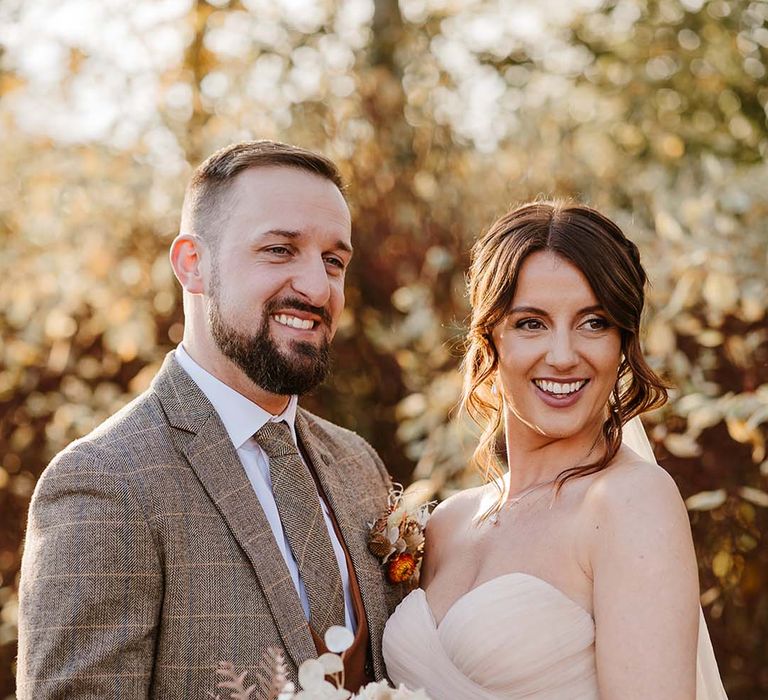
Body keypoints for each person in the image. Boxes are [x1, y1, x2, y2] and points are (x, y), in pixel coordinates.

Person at [17, 141, 402, 699]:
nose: (318, 288)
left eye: (333, 261)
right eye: (278, 249)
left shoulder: (358, 464)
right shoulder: (103, 483)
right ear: (193, 265)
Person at [383, 202, 728, 699]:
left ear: (622, 344)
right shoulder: (446, 525)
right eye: (531, 323)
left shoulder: (629, 503)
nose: (564, 356)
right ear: (490, 340)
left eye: (594, 323)